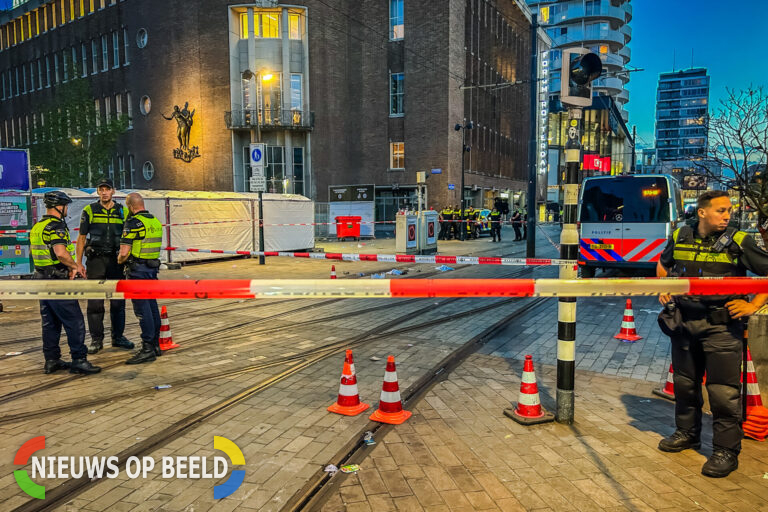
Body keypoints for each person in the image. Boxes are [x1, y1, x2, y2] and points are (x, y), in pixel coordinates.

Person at [657, 190, 768, 478]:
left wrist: (752, 304)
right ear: (702, 212)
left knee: (723, 392)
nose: (728, 215)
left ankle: (725, 451)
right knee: (685, 385)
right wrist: (664, 286)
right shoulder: (681, 235)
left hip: (721, 326)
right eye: (721, 210)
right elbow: (663, 264)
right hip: (684, 323)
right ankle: (686, 433)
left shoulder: (738, 241)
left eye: (728, 210)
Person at [31, 191, 101, 375]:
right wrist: (75, 266)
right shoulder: (56, 226)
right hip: (56, 280)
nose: (66, 209)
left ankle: (51, 360)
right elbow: (61, 253)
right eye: (66, 206)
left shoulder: (39, 226)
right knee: (74, 320)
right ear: (59, 207)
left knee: (50, 321)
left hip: (41, 278)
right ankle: (79, 359)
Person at [76, 178, 134, 355]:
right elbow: (82, 238)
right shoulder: (89, 210)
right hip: (96, 261)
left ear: (113, 191)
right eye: (101, 189)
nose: (104, 192)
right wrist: (78, 263)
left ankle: (118, 337)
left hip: (116, 261)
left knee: (118, 302)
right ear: (98, 192)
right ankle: (96, 339)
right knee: (95, 303)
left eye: (107, 189)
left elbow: (129, 237)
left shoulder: (123, 211)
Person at [118, 193, 164, 364]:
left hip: (137, 271)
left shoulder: (133, 223)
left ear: (130, 206)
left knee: (142, 311)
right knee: (152, 307)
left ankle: (147, 348)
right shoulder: (154, 221)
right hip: (151, 270)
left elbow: (124, 252)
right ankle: (155, 344)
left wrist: (120, 261)